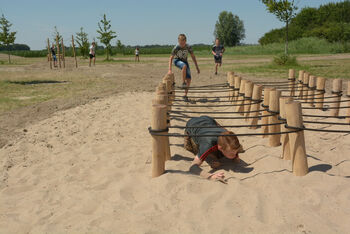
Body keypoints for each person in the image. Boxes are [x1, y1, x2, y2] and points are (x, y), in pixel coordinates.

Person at [184, 116, 244, 182]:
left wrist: (236, 157)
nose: (234, 154)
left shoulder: (228, 134)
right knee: (191, 148)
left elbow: (234, 147)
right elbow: (193, 167)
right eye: (231, 153)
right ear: (220, 148)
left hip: (209, 119)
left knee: (239, 148)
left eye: (235, 152)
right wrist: (210, 176)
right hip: (192, 124)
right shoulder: (207, 144)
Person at [168, 34, 200, 102]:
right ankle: (183, 83)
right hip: (176, 61)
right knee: (184, 66)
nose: (182, 44)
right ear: (178, 41)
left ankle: (185, 95)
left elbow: (193, 57)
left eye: (183, 43)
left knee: (189, 79)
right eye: (180, 43)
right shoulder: (176, 47)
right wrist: (170, 70)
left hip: (185, 61)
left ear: (185, 41)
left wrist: (197, 67)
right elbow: (171, 58)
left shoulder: (188, 47)